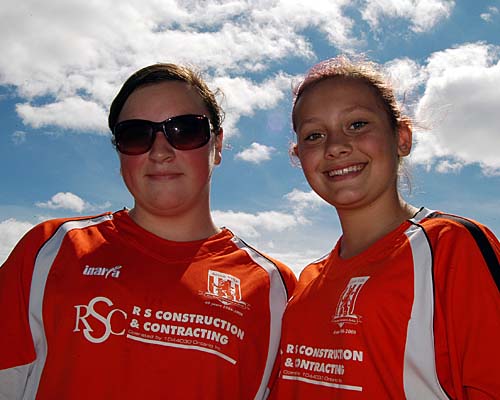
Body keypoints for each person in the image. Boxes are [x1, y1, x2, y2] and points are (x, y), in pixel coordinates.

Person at [0, 63, 296, 399]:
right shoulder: (51, 250)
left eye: (185, 130)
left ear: (217, 145)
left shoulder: (274, 289)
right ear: (119, 151)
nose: (160, 152)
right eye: (136, 135)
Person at [270, 56, 500, 399]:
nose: (335, 146)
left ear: (402, 138)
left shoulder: (452, 246)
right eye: (314, 135)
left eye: (357, 125)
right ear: (299, 155)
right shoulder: (307, 284)